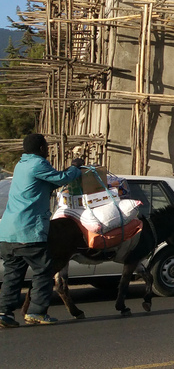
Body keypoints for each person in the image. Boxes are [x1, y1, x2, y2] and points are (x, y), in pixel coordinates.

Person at [0, 134, 82, 328]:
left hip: (7, 232)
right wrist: (75, 167)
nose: (47, 150)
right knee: (44, 271)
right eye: (45, 147)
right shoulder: (38, 164)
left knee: (12, 275)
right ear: (41, 149)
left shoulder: (21, 166)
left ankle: (4, 313)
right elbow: (63, 177)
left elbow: (47, 183)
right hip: (28, 231)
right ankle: (37, 312)